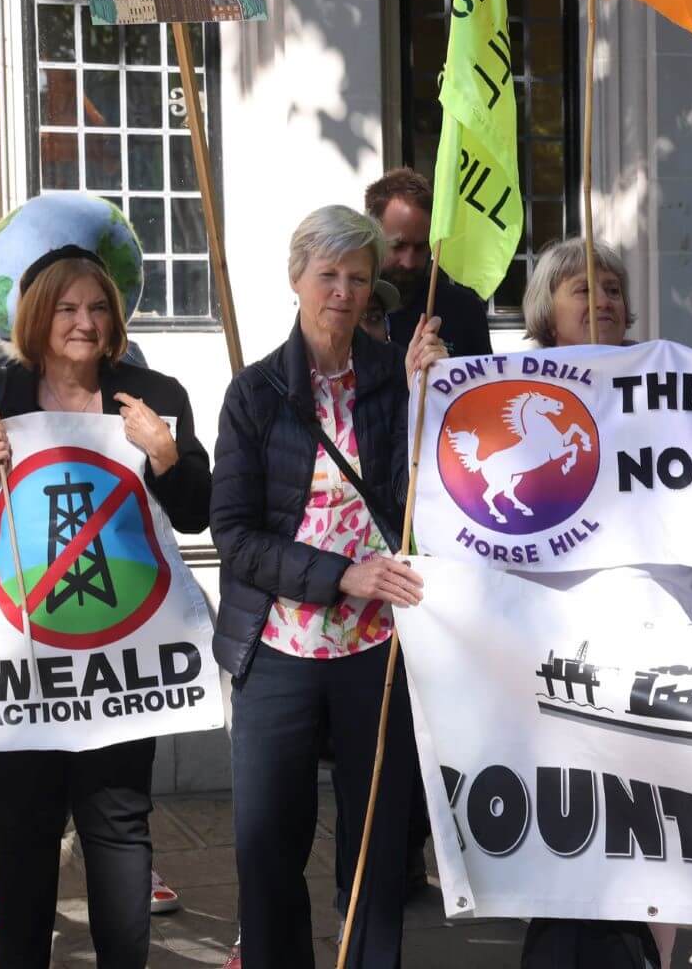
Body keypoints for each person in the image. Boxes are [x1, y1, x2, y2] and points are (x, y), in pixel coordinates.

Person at [0, 247, 212, 969]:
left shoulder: (154, 392)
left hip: (122, 658)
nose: (84, 322)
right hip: (27, 658)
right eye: (67, 308)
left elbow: (199, 511)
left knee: (118, 825)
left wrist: (167, 456)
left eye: (98, 307)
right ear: (37, 317)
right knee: (21, 829)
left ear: (115, 318)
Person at [211, 205, 444, 969]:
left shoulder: (391, 382)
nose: (342, 292)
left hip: (377, 647)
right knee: (268, 847)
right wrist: (341, 574)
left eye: (358, 276)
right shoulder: (255, 393)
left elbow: (427, 495)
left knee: (377, 845)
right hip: (277, 643)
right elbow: (236, 536)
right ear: (296, 279)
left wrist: (431, 400)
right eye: (328, 275)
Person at [515, 237, 692, 969]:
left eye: (614, 289)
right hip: (559, 648)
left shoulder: (673, 385)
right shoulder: (507, 391)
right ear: (547, 314)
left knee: (664, 828)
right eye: (581, 290)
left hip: (663, 630)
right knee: (571, 824)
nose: (603, 301)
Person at [365, 167, 493, 357]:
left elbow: (485, 385)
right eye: (398, 246)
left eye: (421, 247)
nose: (409, 262)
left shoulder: (464, 310)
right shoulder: (348, 305)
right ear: (372, 237)